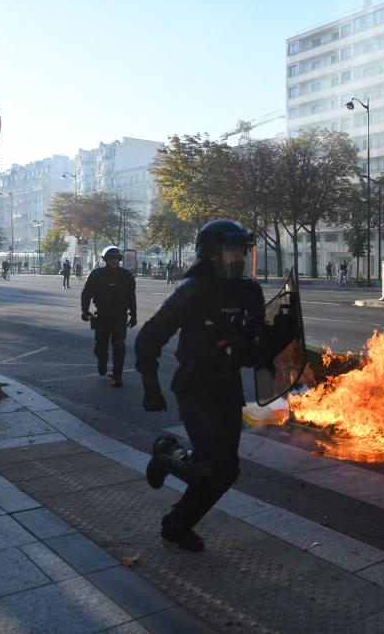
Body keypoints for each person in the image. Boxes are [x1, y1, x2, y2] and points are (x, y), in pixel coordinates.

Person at [136, 220, 296, 552]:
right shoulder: (193, 290)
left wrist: (279, 335)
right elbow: (149, 338)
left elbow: (255, 349)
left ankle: (177, 525)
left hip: (228, 389)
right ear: (210, 255)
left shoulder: (249, 291)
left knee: (226, 469)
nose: (237, 257)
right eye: (229, 250)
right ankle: (166, 453)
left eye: (241, 250)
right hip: (196, 387)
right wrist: (150, 386)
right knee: (213, 465)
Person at [81, 246, 137, 387]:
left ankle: (117, 376)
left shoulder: (126, 275)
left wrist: (134, 314)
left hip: (119, 316)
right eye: (111, 258)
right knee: (100, 347)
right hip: (102, 316)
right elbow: (86, 294)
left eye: (116, 258)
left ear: (119, 259)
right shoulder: (96, 275)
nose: (114, 261)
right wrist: (85, 310)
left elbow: (131, 297)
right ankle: (102, 362)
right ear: (105, 260)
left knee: (119, 346)